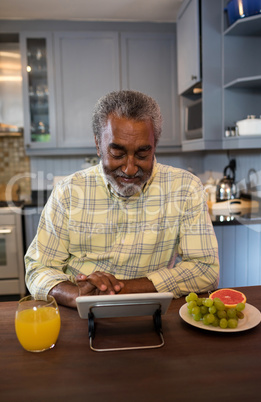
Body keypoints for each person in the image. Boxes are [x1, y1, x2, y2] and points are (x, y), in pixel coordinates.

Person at [25, 90, 219, 308]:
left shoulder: (186, 188)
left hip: (152, 312)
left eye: (143, 154)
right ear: (98, 145)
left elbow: (206, 269)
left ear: (155, 145)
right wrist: (75, 295)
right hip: (77, 314)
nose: (129, 168)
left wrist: (120, 290)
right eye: (117, 154)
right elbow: (38, 267)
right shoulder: (67, 192)